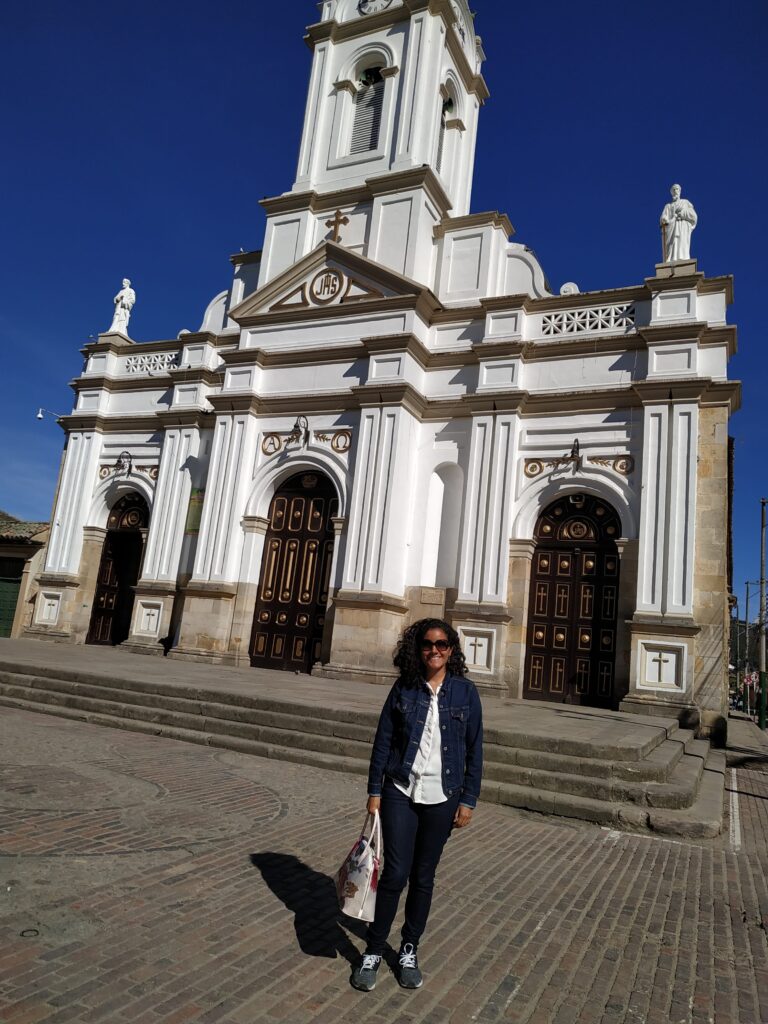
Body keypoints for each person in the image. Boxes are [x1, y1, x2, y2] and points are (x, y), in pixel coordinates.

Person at [351, 618, 483, 992]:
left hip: (444, 795)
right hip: (400, 790)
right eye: (428, 644)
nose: (435, 651)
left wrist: (468, 799)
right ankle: (374, 950)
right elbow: (383, 741)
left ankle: (409, 948)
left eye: (442, 645)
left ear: (452, 650)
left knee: (424, 876)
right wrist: (374, 790)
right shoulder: (404, 687)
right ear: (418, 648)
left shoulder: (465, 693)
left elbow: (475, 749)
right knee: (394, 873)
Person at [660, 184, 697, 263]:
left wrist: (683, 214)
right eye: (673, 190)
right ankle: (670, 259)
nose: (675, 191)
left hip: (682, 227)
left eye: (677, 189)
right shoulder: (668, 206)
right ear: (671, 193)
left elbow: (694, 216)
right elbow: (663, 218)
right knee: (671, 246)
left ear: (680, 191)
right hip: (671, 228)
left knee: (682, 245)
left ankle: (683, 258)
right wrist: (664, 220)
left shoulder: (685, 202)